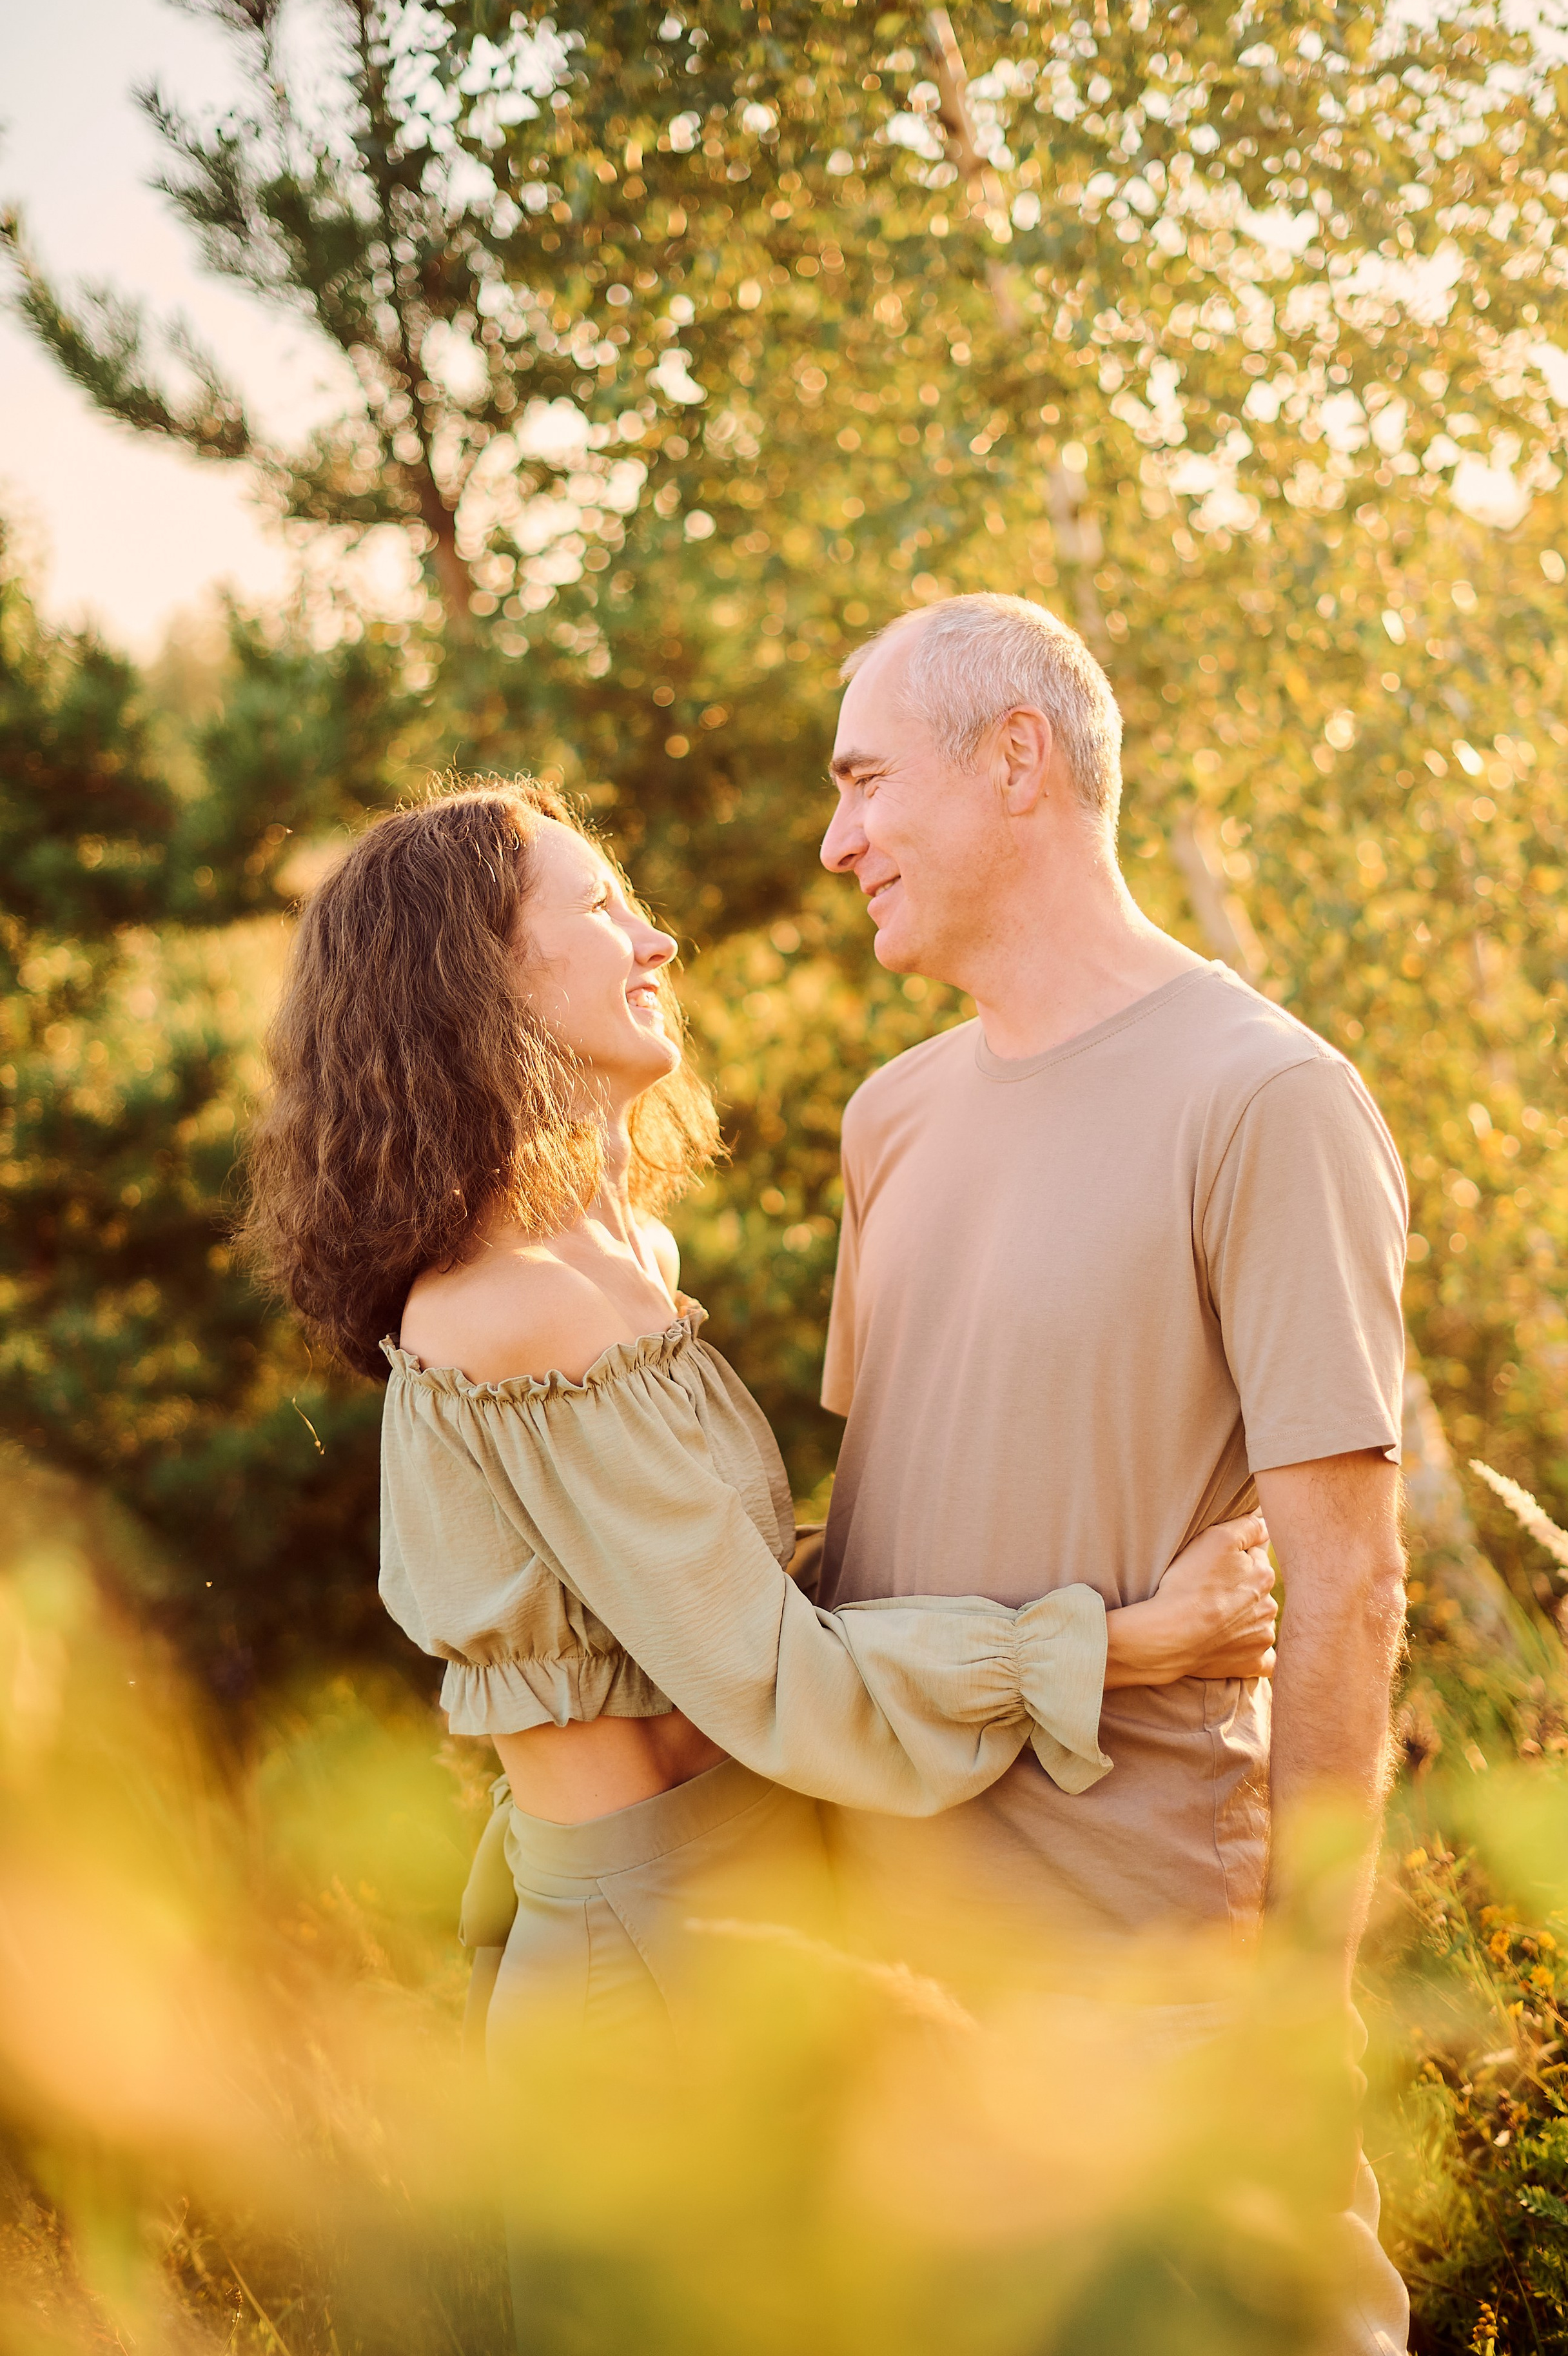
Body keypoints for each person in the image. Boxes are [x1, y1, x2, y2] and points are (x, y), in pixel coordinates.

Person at [240, 775, 1277, 2063]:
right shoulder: (504, 1312)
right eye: (604, 908)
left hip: (762, 1911)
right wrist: (1131, 1641)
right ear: (477, 978)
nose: (654, 940)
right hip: (649, 1961)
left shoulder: (624, 1259)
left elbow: (750, 1596)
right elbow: (780, 1680)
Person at [816, 594, 1411, 2355]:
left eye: (863, 782)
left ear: (1020, 757)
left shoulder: (1269, 1097)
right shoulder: (891, 1118)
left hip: (1153, 1992)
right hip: (888, 2005)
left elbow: (1351, 1588)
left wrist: (1307, 1993)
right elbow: (876, 1533)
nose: (837, 839)